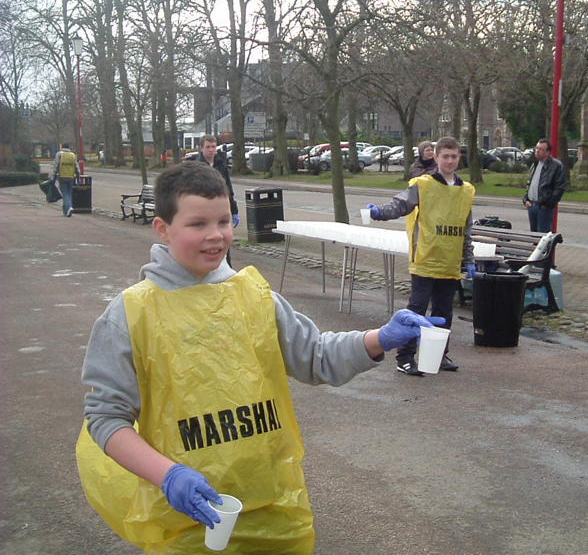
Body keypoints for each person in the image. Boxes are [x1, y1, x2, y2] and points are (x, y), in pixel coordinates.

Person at [77, 161, 440, 554]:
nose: (215, 236)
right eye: (198, 224)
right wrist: (168, 476)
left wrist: (379, 338)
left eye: (224, 221)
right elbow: (106, 417)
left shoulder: (255, 295)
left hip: (277, 511)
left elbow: (315, 356)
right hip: (187, 518)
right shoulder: (131, 314)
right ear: (163, 229)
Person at [366, 136, 476, 375]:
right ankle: (405, 357)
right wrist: (379, 213)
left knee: (444, 312)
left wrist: (469, 259)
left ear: (459, 159)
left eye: (453, 156)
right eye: (444, 156)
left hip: (449, 262)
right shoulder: (423, 185)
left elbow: (466, 228)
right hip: (426, 259)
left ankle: (438, 354)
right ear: (436, 157)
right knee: (416, 311)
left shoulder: (466, 191)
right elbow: (401, 204)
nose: (449, 160)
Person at [188, 135, 239, 265]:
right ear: (201, 149)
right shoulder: (196, 167)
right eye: (208, 147)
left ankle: (226, 269)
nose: (211, 150)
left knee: (223, 240)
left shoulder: (221, 164)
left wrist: (233, 210)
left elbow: (228, 188)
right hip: (204, 211)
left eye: (213, 147)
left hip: (220, 210)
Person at [522, 139, 567, 232]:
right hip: (532, 205)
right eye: (537, 148)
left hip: (544, 207)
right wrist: (525, 199)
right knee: (533, 235)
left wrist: (548, 204)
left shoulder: (556, 166)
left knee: (543, 236)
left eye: (541, 149)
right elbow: (530, 183)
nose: (537, 151)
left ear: (547, 152)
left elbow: (559, 187)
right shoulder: (535, 164)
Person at [50, 142, 79, 217]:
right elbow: (76, 167)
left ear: (62, 147)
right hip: (71, 177)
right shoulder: (73, 155)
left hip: (62, 176)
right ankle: (67, 211)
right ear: (69, 147)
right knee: (69, 193)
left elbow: (56, 166)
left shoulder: (59, 154)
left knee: (65, 194)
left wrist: (53, 177)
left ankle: (69, 207)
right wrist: (78, 176)